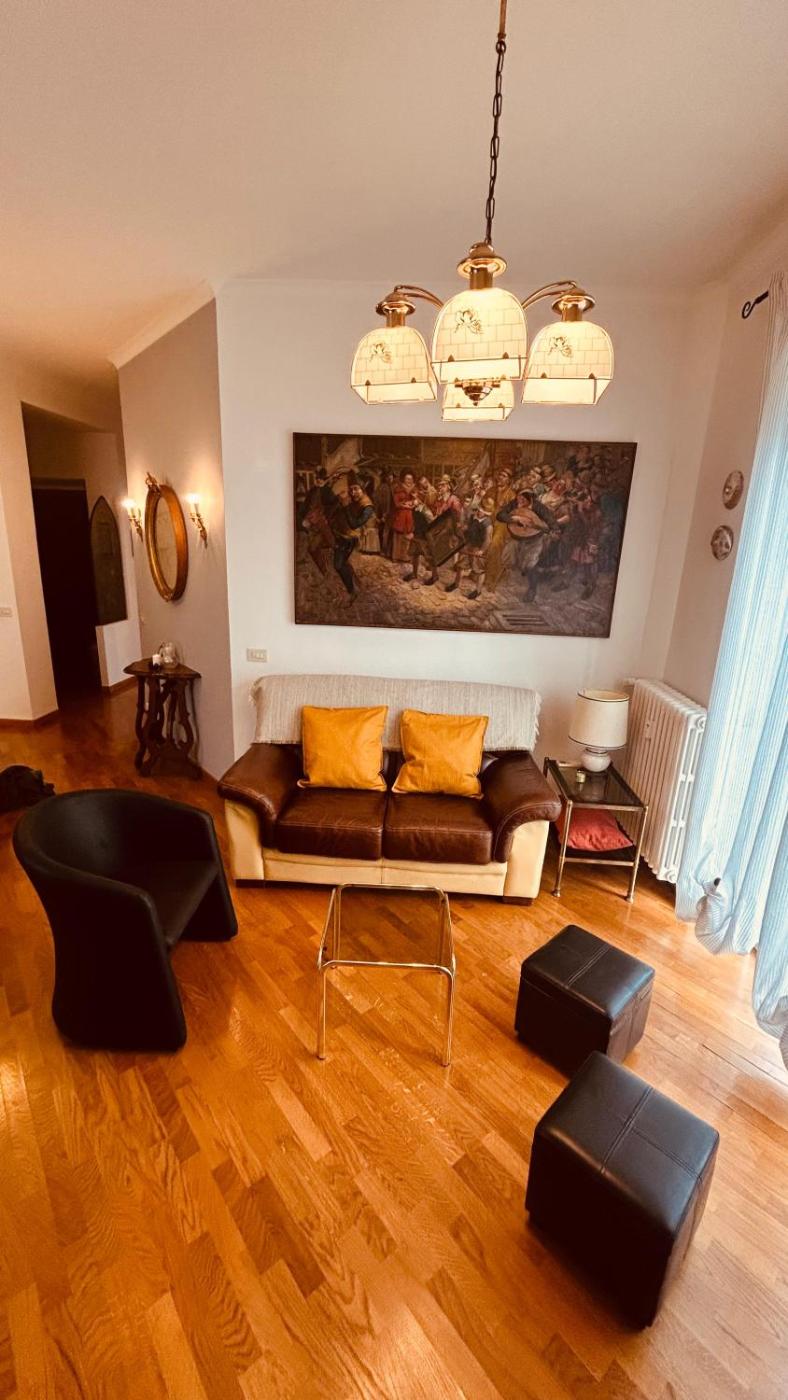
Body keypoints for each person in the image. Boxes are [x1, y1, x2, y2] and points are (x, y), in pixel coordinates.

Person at [496, 489, 554, 602]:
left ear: (530, 499)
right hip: (517, 537)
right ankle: (506, 581)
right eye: (519, 498)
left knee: (530, 564)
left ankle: (532, 589)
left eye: (523, 499)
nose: (519, 501)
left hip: (534, 539)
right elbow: (500, 515)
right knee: (508, 558)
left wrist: (554, 529)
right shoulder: (515, 503)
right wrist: (515, 519)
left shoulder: (538, 507)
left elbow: (550, 519)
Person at [331, 481, 375, 601]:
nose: (353, 492)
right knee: (343, 563)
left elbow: (354, 524)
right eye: (351, 489)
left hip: (350, 538)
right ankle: (354, 583)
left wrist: (345, 506)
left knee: (338, 565)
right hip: (341, 534)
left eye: (356, 489)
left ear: (363, 489)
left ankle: (352, 592)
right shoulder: (353, 500)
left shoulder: (368, 507)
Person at [445, 496, 495, 600]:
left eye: (482, 511)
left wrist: (482, 550)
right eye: (479, 510)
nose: (479, 512)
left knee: (479, 570)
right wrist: (464, 528)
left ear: (486, 513)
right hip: (469, 545)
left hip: (478, 548)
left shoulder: (488, 524)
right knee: (460, 565)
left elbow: (488, 540)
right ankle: (456, 584)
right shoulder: (473, 517)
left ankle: (478, 591)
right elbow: (469, 527)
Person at [405, 485, 438, 584]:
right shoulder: (415, 509)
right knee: (415, 554)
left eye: (415, 498)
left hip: (424, 536)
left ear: (420, 499)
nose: (413, 500)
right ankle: (414, 574)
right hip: (417, 535)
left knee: (429, 557)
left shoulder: (425, 510)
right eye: (412, 498)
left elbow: (431, 523)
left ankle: (435, 576)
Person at [389, 471, 418, 562]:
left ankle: (405, 557)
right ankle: (396, 557)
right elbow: (396, 503)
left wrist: (414, 502)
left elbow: (416, 501)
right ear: (403, 479)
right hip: (400, 515)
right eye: (407, 479)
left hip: (409, 515)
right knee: (398, 536)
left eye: (411, 479)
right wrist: (404, 505)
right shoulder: (398, 489)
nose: (409, 481)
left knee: (408, 536)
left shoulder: (414, 489)